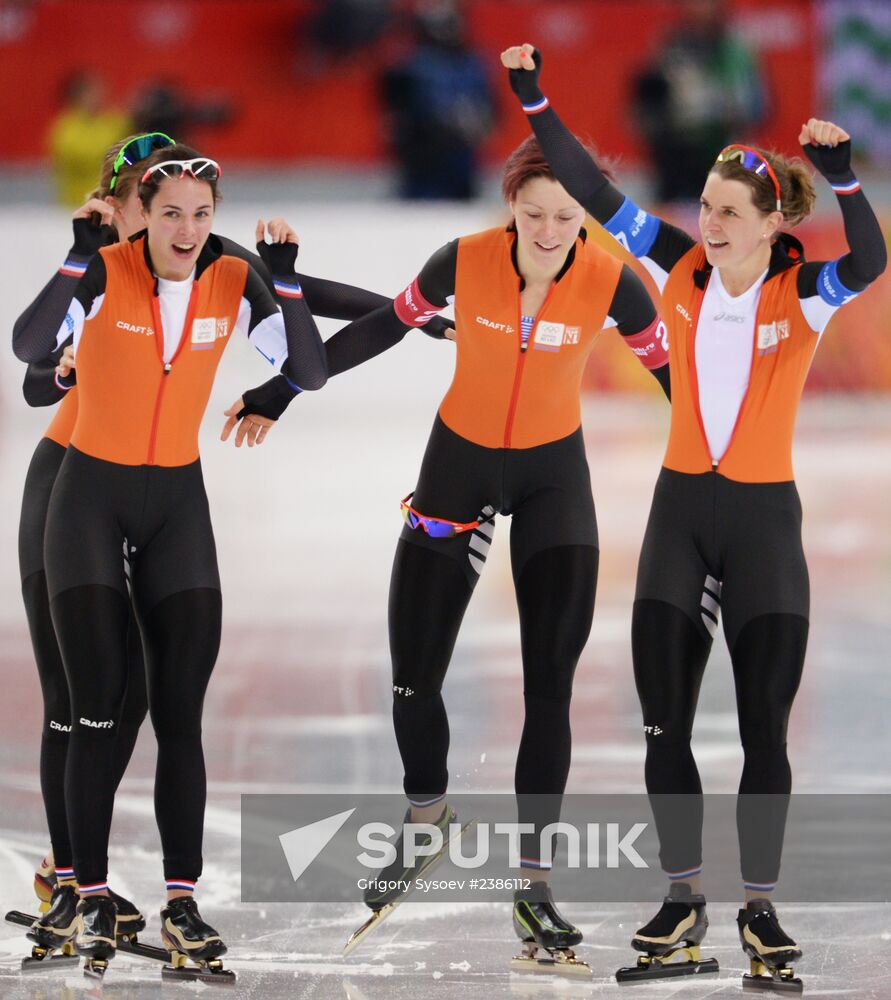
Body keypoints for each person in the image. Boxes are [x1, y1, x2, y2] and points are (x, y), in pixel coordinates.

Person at [13, 133, 456, 972]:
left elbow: (301, 299)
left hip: (165, 492)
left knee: (153, 703)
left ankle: (129, 885)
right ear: (124, 209)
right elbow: (35, 370)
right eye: (156, 208)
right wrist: (68, 358)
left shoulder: (209, 258)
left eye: (194, 213)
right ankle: (73, 879)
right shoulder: (104, 267)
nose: (178, 226)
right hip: (68, 482)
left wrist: (415, 313)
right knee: (81, 705)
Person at [501, 43, 886, 988]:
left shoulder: (803, 296)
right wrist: (537, 100)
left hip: (762, 528)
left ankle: (758, 909)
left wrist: (843, 181)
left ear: (766, 225)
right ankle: (681, 900)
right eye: (704, 207)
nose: (704, 222)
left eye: (724, 212)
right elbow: (592, 192)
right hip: (679, 520)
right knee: (662, 728)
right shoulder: (676, 267)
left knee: (763, 732)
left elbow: (870, 258)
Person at [327, 131, 670, 967]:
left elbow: (680, 385)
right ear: (507, 205)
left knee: (548, 687)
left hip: (556, 485)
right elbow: (385, 325)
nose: (549, 230)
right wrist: (283, 385)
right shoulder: (463, 260)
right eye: (532, 213)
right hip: (454, 470)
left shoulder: (613, 283)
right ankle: (425, 818)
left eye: (565, 215)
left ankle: (533, 887)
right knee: (413, 673)